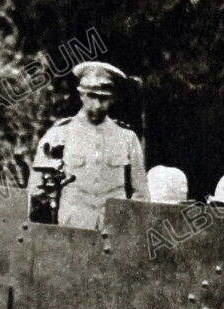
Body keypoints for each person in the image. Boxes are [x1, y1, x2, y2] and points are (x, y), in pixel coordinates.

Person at [29, 61, 148, 230]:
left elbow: (141, 194)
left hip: (114, 229)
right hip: (72, 228)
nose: (97, 105)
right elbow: (35, 191)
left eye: (104, 98)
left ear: (112, 97)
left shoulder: (127, 138)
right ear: (81, 94)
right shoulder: (59, 135)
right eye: (92, 96)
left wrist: (128, 227)